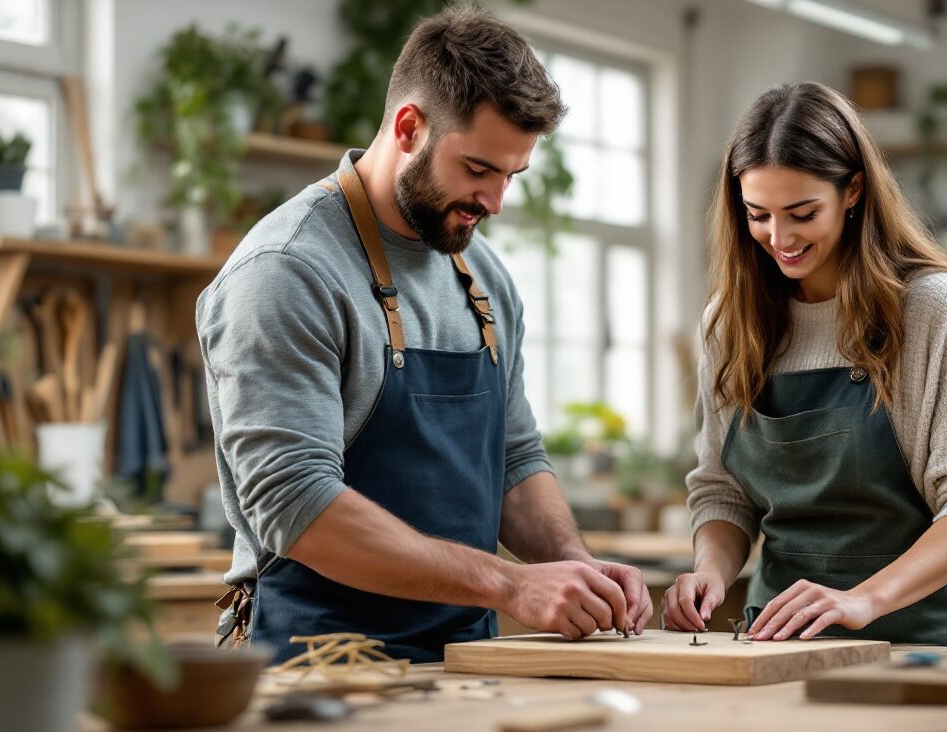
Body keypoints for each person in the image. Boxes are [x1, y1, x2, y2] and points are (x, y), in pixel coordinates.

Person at [198, 7, 652, 663]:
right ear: (409, 127)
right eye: (477, 169)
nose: (494, 202)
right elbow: (295, 504)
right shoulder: (289, 272)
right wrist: (507, 582)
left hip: (470, 662)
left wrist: (574, 566)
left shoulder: (484, 275)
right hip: (324, 669)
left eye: (509, 176)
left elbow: (515, 462)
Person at [663, 82, 947, 644]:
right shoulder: (729, 323)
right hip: (780, 642)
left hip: (924, 637)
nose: (779, 238)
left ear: (853, 190)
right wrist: (709, 572)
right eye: (757, 215)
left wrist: (863, 600)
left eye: (802, 213)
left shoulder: (931, 308)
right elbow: (724, 492)